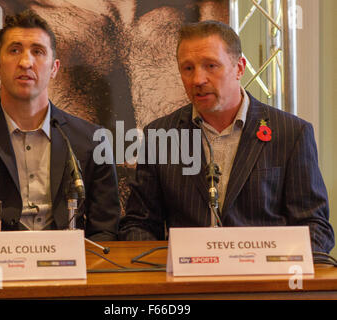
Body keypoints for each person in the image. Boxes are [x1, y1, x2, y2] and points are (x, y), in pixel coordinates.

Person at [118, 20, 335, 253]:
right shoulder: (160, 135)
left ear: (239, 68)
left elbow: (315, 227)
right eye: (188, 68)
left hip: (264, 282)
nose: (198, 80)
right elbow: (138, 224)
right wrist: (161, 267)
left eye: (211, 66)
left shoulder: (291, 133)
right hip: (186, 281)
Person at [0, 10, 120, 241]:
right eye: (14, 50)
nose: (26, 62)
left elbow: (105, 230)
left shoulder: (92, 140)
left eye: (38, 51)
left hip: (69, 270)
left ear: (54, 68)